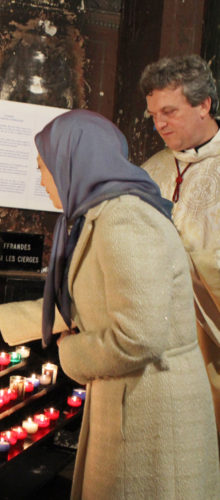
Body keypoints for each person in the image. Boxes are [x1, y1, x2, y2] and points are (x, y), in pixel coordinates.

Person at [0, 110, 220, 499]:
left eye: (44, 167)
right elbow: (74, 305)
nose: (42, 180)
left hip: (153, 412)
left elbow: (139, 337)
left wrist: (70, 353)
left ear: (73, 164)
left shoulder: (125, 219)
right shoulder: (99, 215)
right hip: (130, 398)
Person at [140, 54, 220, 441]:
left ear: (204, 104)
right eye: (154, 114)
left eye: (169, 111)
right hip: (150, 338)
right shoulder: (149, 169)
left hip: (209, 340)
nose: (160, 123)